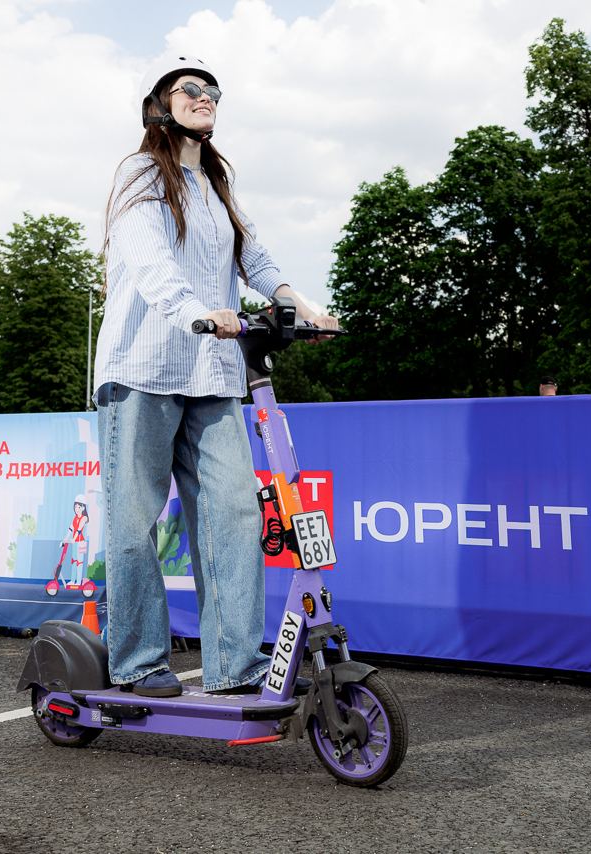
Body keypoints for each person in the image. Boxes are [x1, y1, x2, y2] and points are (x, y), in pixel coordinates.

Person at [95, 56, 336, 698]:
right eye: (191, 88)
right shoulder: (141, 174)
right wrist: (197, 311)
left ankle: (234, 664)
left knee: (233, 513)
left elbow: (253, 256)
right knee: (134, 522)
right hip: (143, 369)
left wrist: (303, 307)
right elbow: (149, 261)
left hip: (213, 374)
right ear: (159, 105)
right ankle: (139, 662)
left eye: (213, 91)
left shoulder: (216, 184)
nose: (205, 97)